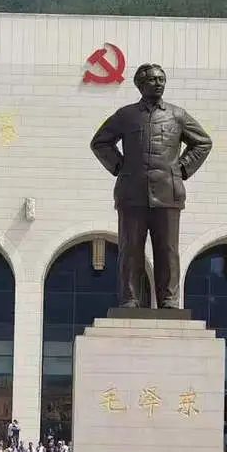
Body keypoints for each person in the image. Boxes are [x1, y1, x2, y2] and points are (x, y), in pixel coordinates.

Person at [90, 63, 212, 308]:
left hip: (168, 192)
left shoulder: (177, 115)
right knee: (130, 249)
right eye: (153, 80)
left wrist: (182, 168)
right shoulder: (126, 115)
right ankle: (130, 298)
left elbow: (203, 142)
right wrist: (119, 166)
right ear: (140, 85)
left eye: (161, 79)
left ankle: (168, 299)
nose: (158, 84)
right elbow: (100, 142)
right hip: (132, 193)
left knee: (167, 250)